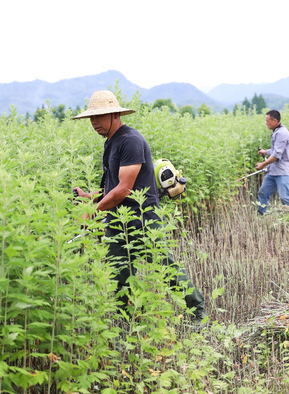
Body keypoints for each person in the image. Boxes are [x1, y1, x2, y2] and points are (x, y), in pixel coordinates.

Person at [72, 90, 206, 323]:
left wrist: (92, 212)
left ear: (115, 115)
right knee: (119, 274)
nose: (94, 123)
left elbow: (124, 189)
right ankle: (127, 323)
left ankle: (197, 311)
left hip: (142, 219)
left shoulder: (130, 141)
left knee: (166, 268)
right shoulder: (111, 144)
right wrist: (90, 197)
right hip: (117, 221)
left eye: (99, 117)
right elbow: (111, 188)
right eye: (91, 118)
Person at [256, 110, 289, 215]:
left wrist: (263, 164)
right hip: (274, 171)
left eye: (268, 121)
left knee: (285, 197)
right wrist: (266, 151)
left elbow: (276, 155)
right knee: (263, 193)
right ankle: (261, 216)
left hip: (283, 172)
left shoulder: (282, 133)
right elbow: (276, 149)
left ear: (275, 120)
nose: (266, 123)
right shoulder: (276, 131)